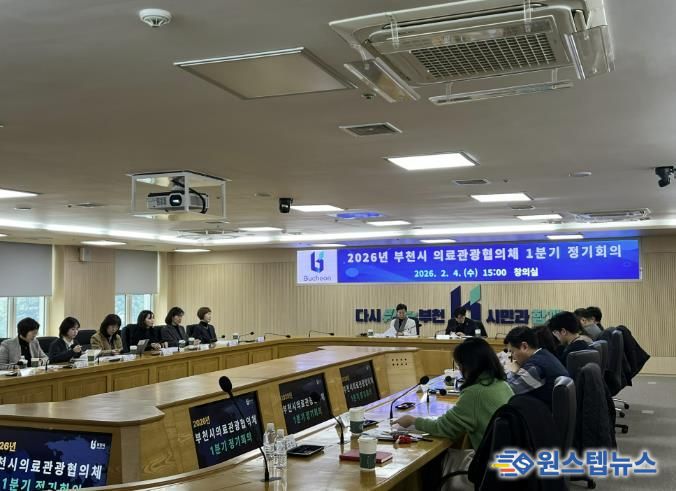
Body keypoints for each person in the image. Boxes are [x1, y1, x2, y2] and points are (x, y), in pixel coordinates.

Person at [394, 338, 513, 491]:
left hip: (489, 471)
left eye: (459, 365)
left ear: (468, 366)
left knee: (430, 462)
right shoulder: (502, 384)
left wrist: (412, 420)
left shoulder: (475, 393)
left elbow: (443, 428)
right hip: (507, 462)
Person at [503, 326, 568, 409]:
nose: (513, 357)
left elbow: (507, 391)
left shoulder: (535, 366)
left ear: (524, 346)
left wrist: (511, 371)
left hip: (546, 413)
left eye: (512, 352)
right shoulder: (543, 354)